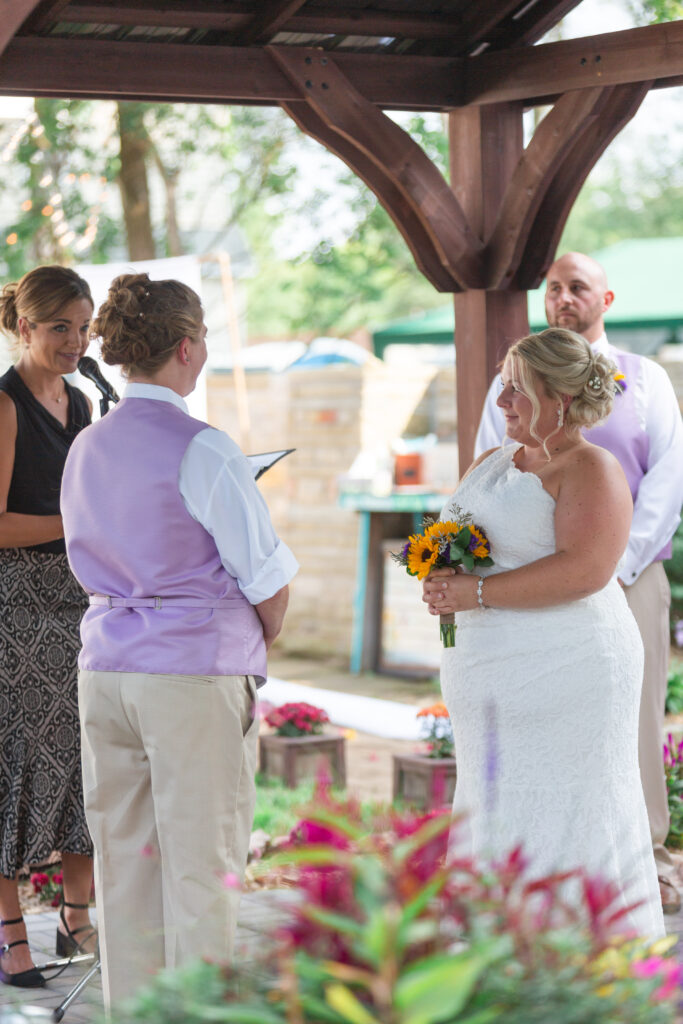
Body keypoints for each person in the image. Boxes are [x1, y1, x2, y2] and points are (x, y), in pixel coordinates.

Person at [60, 272, 298, 1010]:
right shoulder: (206, 449)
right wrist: (255, 634)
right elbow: (268, 583)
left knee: (126, 862)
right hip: (189, 673)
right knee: (202, 866)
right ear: (188, 348)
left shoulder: (86, 445)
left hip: (105, 669)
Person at [424, 328, 664, 938]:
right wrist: (441, 569)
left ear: (560, 398)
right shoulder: (493, 460)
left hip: (568, 667)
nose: (503, 403)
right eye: (502, 388)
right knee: (495, 800)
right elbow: (468, 535)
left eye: (518, 391)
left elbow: (585, 570)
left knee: (569, 802)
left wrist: (474, 592)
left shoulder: (590, 468)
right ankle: (499, 945)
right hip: (489, 674)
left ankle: (580, 955)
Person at [475, 252, 683, 913]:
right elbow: (492, 475)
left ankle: (644, 854)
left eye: (577, 288)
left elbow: (667, 479)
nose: (562, 297)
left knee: (636, 710)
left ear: (605, 299)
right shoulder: (506, 384)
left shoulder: (645, 379)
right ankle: (543, 855)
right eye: (554, 288)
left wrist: (609, 565)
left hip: (629, 572)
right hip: (532, 585)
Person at [0, 266, 96, 989]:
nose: (76, 340)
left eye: (84, 326)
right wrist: (81, 524)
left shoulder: (85, 402)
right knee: (17, 768)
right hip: (16, 607)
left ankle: (76, 917)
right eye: (61, 325)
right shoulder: (3, 406)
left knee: (84, 758)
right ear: (25, 326)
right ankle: (11, 937)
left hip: (79, 601)